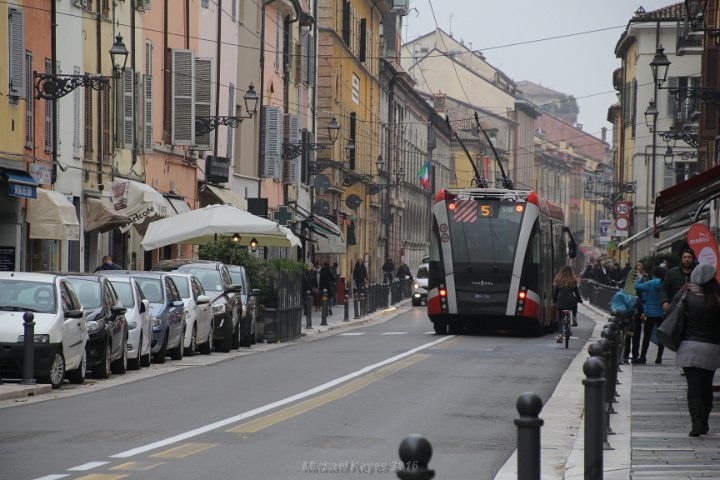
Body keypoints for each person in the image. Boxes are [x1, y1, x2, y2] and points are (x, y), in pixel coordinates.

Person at [674, 263, 720, 436]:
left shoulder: (686, 295)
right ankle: (705, 422)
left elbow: (672, 313)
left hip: (689, 347)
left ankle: (697, 423)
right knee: (706, 384)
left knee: (693, 386)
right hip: (713, 349)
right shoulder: (716, 298)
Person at [634, 266, 666, 365]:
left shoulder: (651, 283)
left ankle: (643, 356)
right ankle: (659, 357)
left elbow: (637, 287)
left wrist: (640, 278)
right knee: (661, 336)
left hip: (651, 313)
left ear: (654, 274)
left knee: (646, 336)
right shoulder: (665, 284)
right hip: (662, 313)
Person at [623, 260, 647, 364]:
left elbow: (645, 294)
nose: (639, 268)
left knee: (636, 332)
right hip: (630, 306)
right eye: (637, 266)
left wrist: (645, 310)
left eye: (641, 266)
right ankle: (625, 355)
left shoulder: (645, 278)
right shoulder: (631, 277)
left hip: (639, 306)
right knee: (628, 332)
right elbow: (627, 289)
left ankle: (635, 355)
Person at [552, 265, 583, 343]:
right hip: (570, 301)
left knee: (560, 318)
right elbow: (577, 292)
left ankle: (560, 334)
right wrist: (580, 300)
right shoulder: (573, 280)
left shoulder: (559, 280)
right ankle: (574, 316)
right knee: (574, 303)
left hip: (560, 301)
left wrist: (554, 300)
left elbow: (555, 293)